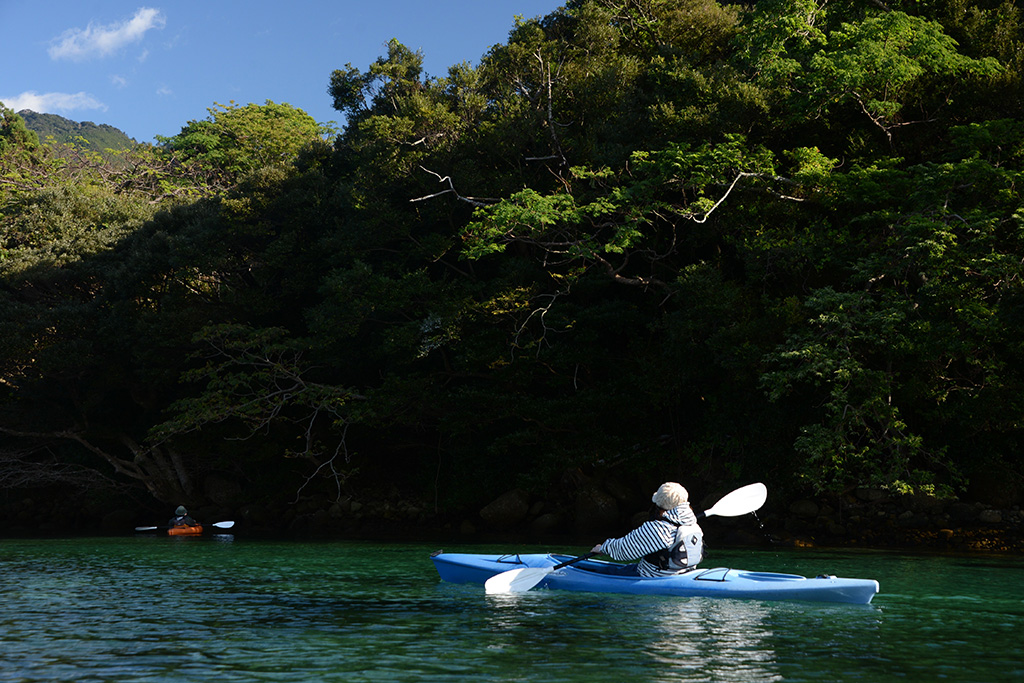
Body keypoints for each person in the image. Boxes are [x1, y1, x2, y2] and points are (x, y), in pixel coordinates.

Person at [590, 482, 704, 577]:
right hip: (685, 574)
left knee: (605, 572)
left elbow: (624, 550)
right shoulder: (692, 524)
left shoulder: (658, 529)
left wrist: (603, 548)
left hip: (652, 576)